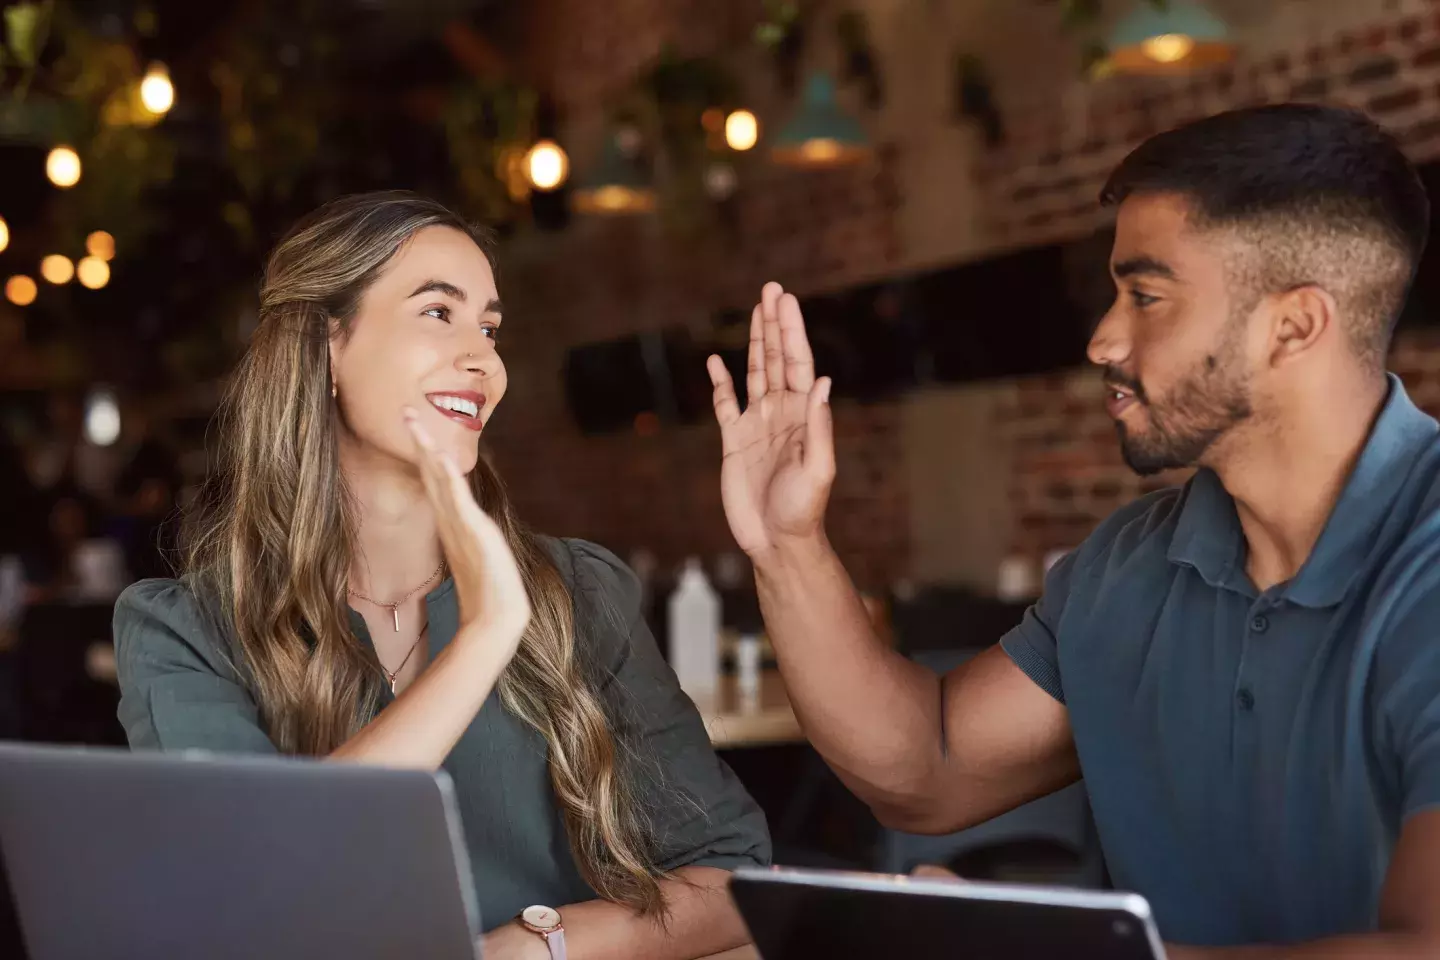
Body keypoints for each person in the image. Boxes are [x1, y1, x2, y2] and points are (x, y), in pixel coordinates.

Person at [706, 103, 1440, 956]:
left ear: (1294, 326)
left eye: (1146, 296)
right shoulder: (1128, 565)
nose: (1102, 338)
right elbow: (928, 769)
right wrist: (788, 545)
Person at [114, 191, 769, 960]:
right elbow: (255, 887)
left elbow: (734, 872)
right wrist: (485, 635)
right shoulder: (184, 632)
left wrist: (536, 948)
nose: (481, 358)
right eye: (437, 313)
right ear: (326, 347)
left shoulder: (579, 593)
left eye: (489, 328)